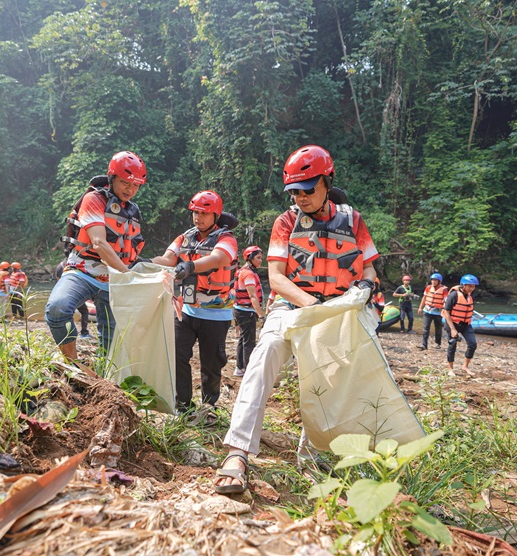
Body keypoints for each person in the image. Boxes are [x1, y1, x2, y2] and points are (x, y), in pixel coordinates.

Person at [213, 144, 379, 495]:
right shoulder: (286, 222)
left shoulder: (354, 220)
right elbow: (275, 277)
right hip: (292, 307)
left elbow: (369, 266)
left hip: (338, 310)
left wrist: (365, 284)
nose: (301, 197)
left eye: (308, 190)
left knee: (334, 377)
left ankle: (315, 455)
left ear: (327, 181)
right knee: (265, 352)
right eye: (294, 192)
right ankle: (238, 452)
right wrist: (310, 305)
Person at [45, 151, 146, 359]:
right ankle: (72, 364)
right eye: (126, 183)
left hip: (114, 279)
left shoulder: (133, 211)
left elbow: (132, 250)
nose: (131, 189)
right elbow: (99, 243)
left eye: (136, 185)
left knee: (112, 347)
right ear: (112, 178)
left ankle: (104, 378)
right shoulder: (94, 199)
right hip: (83, 270)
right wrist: (128, 274)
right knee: (57, 309)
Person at [151, 190, 238, 418]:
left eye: (204, 213)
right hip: (187, 311)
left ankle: (209, 406)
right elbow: (168, 259)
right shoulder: (185, 237)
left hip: (216, 314)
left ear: (215, 215)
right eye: (195, 213)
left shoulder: (226, 239)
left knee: (211, 363)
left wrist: (190, 266)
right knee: (178, 353)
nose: (198, 218)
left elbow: (218, 259)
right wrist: (143, 264)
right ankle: (183, 406)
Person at [233, 246, 265, 377]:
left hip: (240, 310)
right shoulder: (249, 274)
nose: (260, 261)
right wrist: (261, 316)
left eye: (261, 258)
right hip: (246, 311)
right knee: (249, 341)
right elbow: (253, 296)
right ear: (250, 258)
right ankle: (248, 370)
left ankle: (239, 367)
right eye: (258, 258)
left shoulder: (242, 271)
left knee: (243, 338)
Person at [440, 274, 479, 377]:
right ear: (463, 285)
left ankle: (465, 366)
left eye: (473, 286)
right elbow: (447, 312)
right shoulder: (454, 295)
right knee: (452, 343)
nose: (471, 288)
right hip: (452, 323)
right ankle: (450, 369)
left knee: (472, 344)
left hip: (465, 324)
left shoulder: (471, 296)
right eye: (469, 286)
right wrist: (453, 329)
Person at [53, 260, 92, 340]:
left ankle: (67, 333)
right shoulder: (72, 265)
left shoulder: (59, 266)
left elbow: (57, 279)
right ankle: (84, 332)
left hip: (62, 292)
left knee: (68, 313)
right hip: (74, 292)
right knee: (84, 311)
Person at [417, 273, 447, 350]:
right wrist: (420, 307)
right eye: (432, 280)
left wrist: (444, 309)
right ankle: (424, 345)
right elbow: (424, 298)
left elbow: (445, 301)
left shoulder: (444, 289)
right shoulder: (428, 287)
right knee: (426, 328)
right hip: (427, 310)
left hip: (438, 312)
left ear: (439, 281)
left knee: (438, 329)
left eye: (435, 280)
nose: (433, 282)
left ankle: (438, 343)